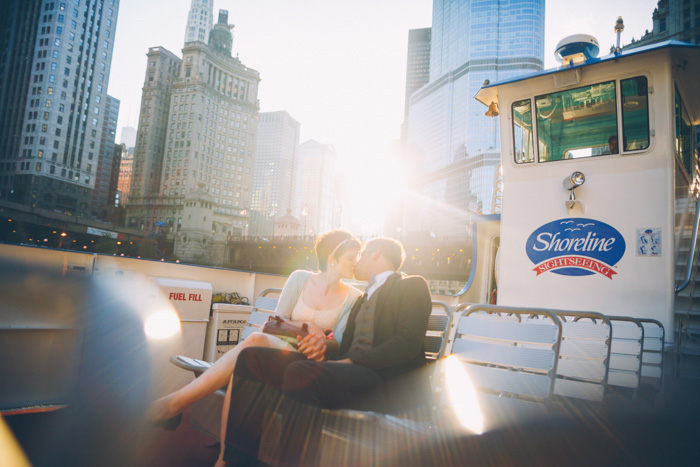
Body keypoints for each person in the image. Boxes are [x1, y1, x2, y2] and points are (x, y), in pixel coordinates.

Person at [217, 237, 433, 465]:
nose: (356, 262)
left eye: (361, 255)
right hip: (349, 375)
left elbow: (407, 343)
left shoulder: (412, 285)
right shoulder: (362, 298)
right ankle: (238, 461)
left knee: (302, 373)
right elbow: (345, 345)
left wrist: (350, 361)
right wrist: (321, 350)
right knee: (253, 358)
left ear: (375, 253)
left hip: (384, 382)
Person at [150, 230, 362, 426]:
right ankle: (218, 450)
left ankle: (175, 404)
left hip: (309, 361)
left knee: (253, 344)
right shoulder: (300, 278)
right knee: (251, 349)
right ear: (332, 259)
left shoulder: (353, 297)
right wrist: (310, 326)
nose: (356, 263)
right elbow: (277, 321)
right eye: (351, 258)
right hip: (281, 348)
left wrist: (318, 343)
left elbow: (339, 342)